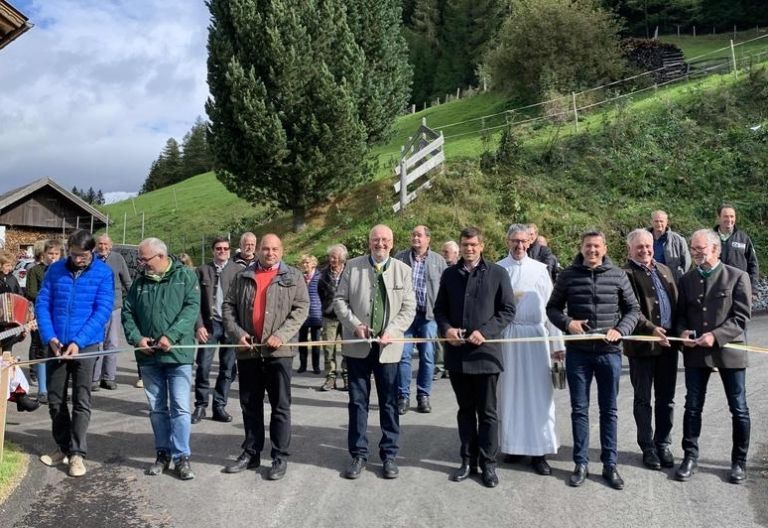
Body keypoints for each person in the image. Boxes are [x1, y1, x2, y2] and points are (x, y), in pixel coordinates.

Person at [546, 230, 640, 490]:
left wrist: (620, 330)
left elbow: (633, 309)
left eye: (597, 246)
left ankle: (610, 465)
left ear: (605, 248)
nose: (592, 250)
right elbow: (552, 308)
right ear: (581, 247)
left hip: (609, 353)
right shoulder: (567, 276)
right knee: (579, 410)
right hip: (578, 353)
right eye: (588, 246)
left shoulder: (618, 275)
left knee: (609, 411)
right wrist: (568, 323)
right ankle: (581, 464)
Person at [434, 226, 516, 488]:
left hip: (486, 353)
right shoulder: (449, 275)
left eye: (473, 245)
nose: (469, 249)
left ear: (482, 246)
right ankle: (467, 461)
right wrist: (446, 329)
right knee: (465, 411)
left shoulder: (497, 273)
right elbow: (440, 310)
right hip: (458, 355)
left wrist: (486, 332)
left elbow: (507, 310)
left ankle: (488, 463)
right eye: (465, 245)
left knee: (488, 413)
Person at [222, 234, 308, 481]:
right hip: (248, 351)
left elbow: (301, 309)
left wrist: (282, 335)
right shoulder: (242, 276)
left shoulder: (293, 277)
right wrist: (237, 333)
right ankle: (251, 452)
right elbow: (228, 308)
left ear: (282, 250)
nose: (270, 253)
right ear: (258, 250)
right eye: (266, 248)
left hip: (278, 352)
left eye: (275, 249)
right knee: (250, 404)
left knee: (280, 406)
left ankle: (279, 456)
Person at [333, 224, 416, 480]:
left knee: (389, 402)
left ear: (392, 243)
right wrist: (355, 325)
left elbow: (409, 308)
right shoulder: (353, 266)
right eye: (375, 240)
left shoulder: (403, 270)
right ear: (369, 243)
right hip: (358, 347)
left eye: (385, 240)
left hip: (388, 348)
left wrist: (393, 330)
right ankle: (358, 454)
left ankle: (389, 455)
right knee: (358, 402)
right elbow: (339, 301)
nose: (380, 244)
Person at [674, 229, 752, 484]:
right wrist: (682, 330)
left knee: (738, 409)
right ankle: (690, 457)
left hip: (730, 351)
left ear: (716, 250)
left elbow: (741, 318)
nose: (695, 254)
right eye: (693, 249)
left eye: (700, 249)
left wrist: (715, 336)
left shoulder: (738, 277)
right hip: (697, 353)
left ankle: (739, 462)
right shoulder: (686, 280)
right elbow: (681, 315)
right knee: (692, 406)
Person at [35, 229, 114, 478]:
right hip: (56, 344)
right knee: (55, 400)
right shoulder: (55, 270)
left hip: (86, 345)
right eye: (74, 254)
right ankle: (64, 447)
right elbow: (42, 304)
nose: (78, 259)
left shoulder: (103, 273)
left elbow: (102, 310)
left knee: (81, 399)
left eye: (83, 255)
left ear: (92, 251)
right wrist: (51, 338)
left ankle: (78, 454)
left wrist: (78, 342)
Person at [122, 237, 201, 480]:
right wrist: (137, 339)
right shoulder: (139, 283)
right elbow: (127, 313)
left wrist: (171, 336)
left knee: (180, 407)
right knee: (157, 409)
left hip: (177, 356)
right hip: (149, 358)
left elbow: (191, 308)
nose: (141, 264)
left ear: (161, 257)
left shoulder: (185, 276)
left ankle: (182, 457)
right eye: (140, 259)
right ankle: (162, 454)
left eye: (144, 259)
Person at [496, 224, 563, 476]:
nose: (519, 246)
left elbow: (551, 308)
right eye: (515, 241)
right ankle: (513, 446)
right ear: (507, 242)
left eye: (523, 241)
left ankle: (539, 451)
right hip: (509, 337)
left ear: (530, 241)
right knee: (510, 393)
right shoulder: (499, 269)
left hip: (535, 337)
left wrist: (557, 345)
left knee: (538, 395)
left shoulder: (540, 270)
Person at [622, 229, 679, 471]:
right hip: (642, 346)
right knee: (643, 399)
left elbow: (676, 304)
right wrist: (652, 329)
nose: (645, 251)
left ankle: (663, 443)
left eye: (648, 246)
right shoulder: (625, 274)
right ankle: (647, 447)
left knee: (666, 399)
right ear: (629, 250)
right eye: (639, 248)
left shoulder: (664, 270)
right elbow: (630, 309)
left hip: (668, 345)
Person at [394, 225, 446, 414]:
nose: (415, 238)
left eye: (419, 235)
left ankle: (423, 396)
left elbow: (445, 290)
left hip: (428, 316)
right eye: (413, 234)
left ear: (428, 239)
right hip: (405, 316)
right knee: (404, 355)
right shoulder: (399, 257)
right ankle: (403, 396)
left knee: (427, 355)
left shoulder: (438, 261)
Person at [192, 236, 238, 424]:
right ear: (213, 251)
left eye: (225, 248)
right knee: (203, 366)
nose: (222, 251)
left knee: (227, 369)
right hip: (209, 327)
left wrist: (240, 329)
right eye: (218, 248)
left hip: (231, 326)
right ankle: (201, 405)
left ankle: (220, 405)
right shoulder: (202, 271)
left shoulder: (238, 271)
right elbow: (193, 302)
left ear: (229, 250)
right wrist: (199, 325)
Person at [91, 234, 132, 391]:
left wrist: (134, 301)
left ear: (111, 245)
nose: (103, 247)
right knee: (97, 344)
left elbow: (127, 282)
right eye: (100, 244)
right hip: (95, 308)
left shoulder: (118, 258)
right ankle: (94, 379)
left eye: (106, 244)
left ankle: (109, 377)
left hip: (114, 306)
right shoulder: (91, 259)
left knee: (112, 343)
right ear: (96, 245)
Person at [25, 239, 63, 402]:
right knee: (41, 348)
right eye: (50, 254)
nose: (53, 257)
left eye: (56, 254)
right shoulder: (37, 271)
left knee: (59, 349)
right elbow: (31, 293)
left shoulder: (64, 271)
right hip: (43, 313)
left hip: (60, 315)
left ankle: (57, 387)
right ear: (44, 255)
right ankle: (42, 390)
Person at [317, 244, 348, 392]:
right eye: (331, 257)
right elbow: (320, 293)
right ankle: (330, 378)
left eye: (336, 257)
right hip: (329, 316)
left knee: (348, 348)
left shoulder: (349, 272)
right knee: (329, 349)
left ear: (342, 258)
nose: (333, 260)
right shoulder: (323, 274)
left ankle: (347, 377)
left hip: (347, 316)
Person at [713, 204, 759, 299]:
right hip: (715, 289)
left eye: (732, 216)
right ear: (718, 217)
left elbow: (753, 264)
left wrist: (753, 289)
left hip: (739, 288)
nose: (729, 220)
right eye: (725, 216)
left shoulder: (743, 238)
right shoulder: (709, 237)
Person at [297, 254, 322, 374]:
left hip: (316, 313)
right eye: (303, 263)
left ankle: (316, 366)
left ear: (313, 264)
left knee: (315, 342)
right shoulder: (299, 277)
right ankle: (302, 365)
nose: (305, 265)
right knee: (302, 342)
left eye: (307, 262)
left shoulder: (320, 277)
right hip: (302, 315)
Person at [648, 210, 690, 283]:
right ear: (651, 222)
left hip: (672, 281)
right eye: (656, 221)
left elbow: (686, 262)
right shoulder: (644, 238)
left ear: (666, 222)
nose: (659, 224)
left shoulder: (678, 240)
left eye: (661, 221)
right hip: (650, 280)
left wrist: (679, 277)